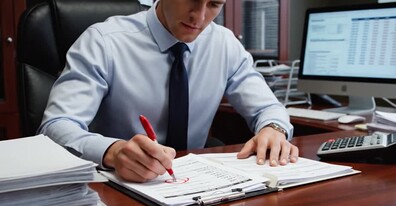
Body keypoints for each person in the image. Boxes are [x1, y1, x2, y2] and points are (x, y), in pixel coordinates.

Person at [38, 0, 299, 183]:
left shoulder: (224, 44)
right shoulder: (103, 42)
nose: (199, 17)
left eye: (214, 4)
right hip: (118, 189)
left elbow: (268, 108)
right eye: (191, 0)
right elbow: (56, 127)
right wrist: (113, 152)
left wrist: (273, 129)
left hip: (194, 186)